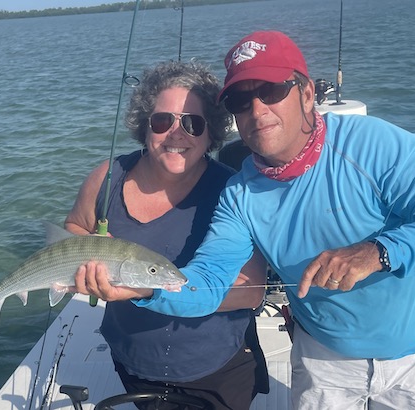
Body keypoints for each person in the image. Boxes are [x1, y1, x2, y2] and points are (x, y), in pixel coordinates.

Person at [75, 31, 415, 409]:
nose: (257, 110)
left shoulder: (374, 145)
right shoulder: (240, 195)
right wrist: (142, 288)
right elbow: (210, 281)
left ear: (306, 94)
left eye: (271, 90)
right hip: (323, 355)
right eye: (241, 99)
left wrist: (377, 252)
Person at [66, 60, 269, 410]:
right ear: (145, 126)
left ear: (211, 133)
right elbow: (75, 227)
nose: (177, 134)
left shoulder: (233, 191)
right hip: (131, 363)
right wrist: (87, 259)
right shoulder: (107, 179)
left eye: (193, 123)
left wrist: (146, 289)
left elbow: (250, 292)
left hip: (218, 370)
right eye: (163, 121)